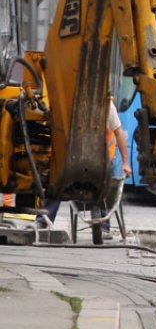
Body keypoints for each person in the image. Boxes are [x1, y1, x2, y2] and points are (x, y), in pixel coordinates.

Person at [38, 99, 131, 237]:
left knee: (105, 186)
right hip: (74, 156)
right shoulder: (70, 101)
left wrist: (125, 162)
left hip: (100, 158)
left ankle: (104, 225)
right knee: (57, 180)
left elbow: (119, 133)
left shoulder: (106, 105)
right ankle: (43, 220)